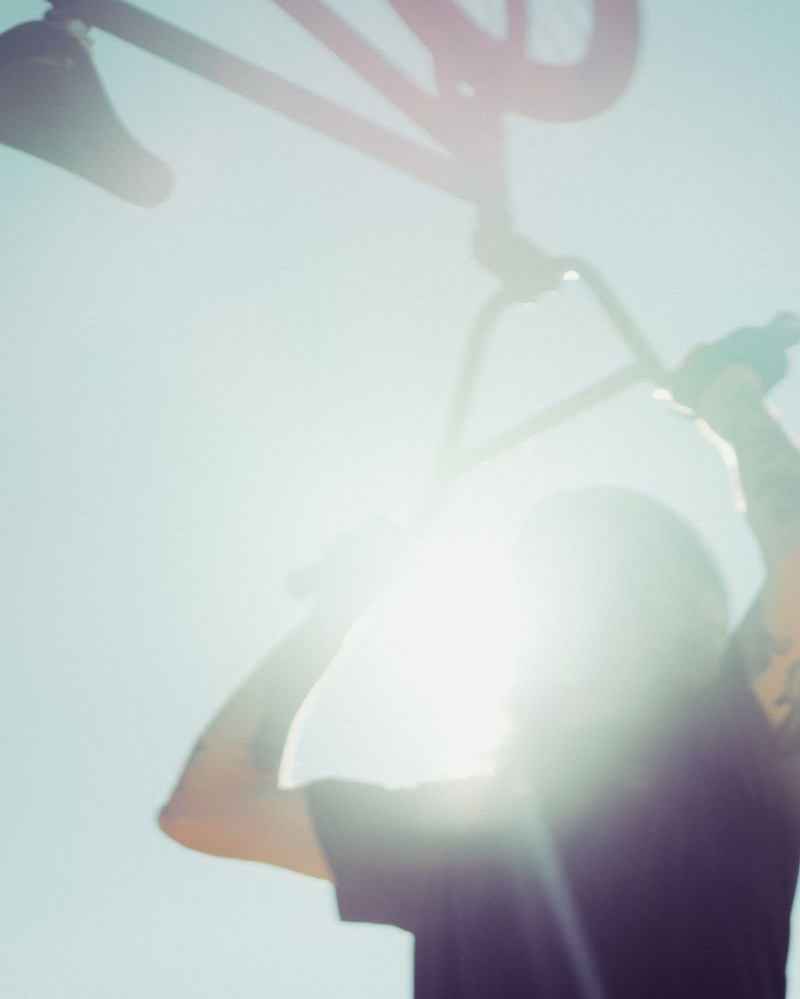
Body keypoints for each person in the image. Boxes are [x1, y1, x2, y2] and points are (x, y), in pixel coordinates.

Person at [158, 320, 800, 998]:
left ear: (684, 618)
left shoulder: (729, 758)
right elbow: (208, 811)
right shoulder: (462, 830)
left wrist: (735, 407)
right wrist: (335, 614)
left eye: (612, 581)